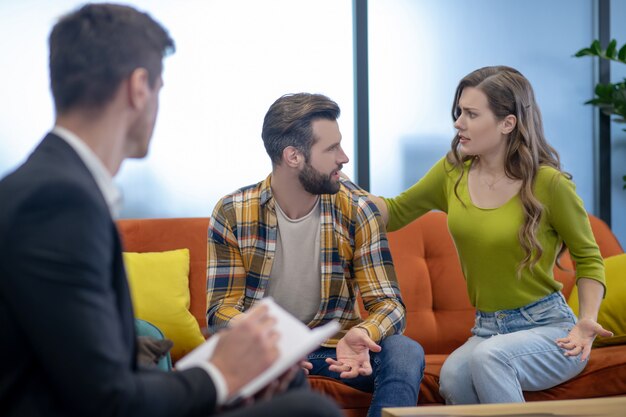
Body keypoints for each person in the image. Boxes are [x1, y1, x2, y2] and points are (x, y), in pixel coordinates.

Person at [0, 4, 341, 417]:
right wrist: (219, 376)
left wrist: (227, 381)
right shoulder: (58, 201)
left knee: (289, 394)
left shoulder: (54, 186)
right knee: (308, 412)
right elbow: (107, 399)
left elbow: (95, 372)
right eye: (159, 88)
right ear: (139, 88)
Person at [365, 65, 612, 404]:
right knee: (452, 376)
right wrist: (339, 189)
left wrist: (586, 321)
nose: (458, 123)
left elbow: (589, 258)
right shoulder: (452, 172)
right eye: (459, 112)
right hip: (487, 329)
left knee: (490, 358)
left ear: (507, 123)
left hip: (549, 328)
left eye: (471, 114)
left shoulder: (549, 184)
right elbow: (395, 211)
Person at [206, 92, 425, 417]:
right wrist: (274, 343)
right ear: (293, 156)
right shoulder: (232, 212)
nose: (344, 157)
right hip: (272, 354)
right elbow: (220, 311)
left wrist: (364, 333)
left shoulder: (358, 209)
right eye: (331, 148)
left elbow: (390, 305)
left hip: (338, 350)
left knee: (405, 351)